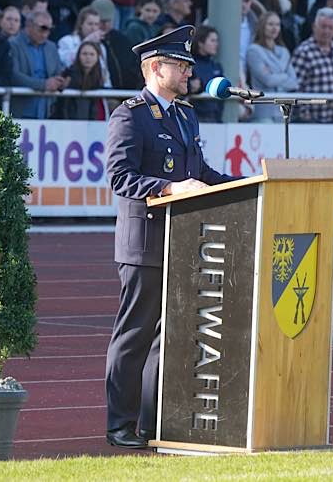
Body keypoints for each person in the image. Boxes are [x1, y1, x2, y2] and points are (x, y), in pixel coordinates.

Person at [104, 25, 235, 449]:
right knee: (135, 335)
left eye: (187, 66)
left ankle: (152, 422)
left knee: (171, 336)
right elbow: (120, 177)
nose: (187, 73)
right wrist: (168, 187)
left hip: (183, 241)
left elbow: (200, 173)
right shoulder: (130, 114)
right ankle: (120, 425)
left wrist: (247, 184)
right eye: (180, 65)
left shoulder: (185, 114)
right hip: (145, 243)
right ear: (155, 68)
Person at [291, 7, 333, 123]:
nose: (326, 31)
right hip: (311, 121)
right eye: (323, 26)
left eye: (330, 28)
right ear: (314, 27)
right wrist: (303, 115)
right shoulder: (303, 51)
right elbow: (294, 87)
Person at [9, 11, 69, 118]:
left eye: (49, 29)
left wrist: (62, 81)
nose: (46, 33)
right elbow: (13, 75)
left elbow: (58, 71)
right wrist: (44, 84)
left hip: (46, 111)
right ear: (29, 25)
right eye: (42, 28)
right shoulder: (13, 44)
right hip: (20, 110)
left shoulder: (51, 47)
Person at [246, 11, 298, 122]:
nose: (274, 28)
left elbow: (294, 82)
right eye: (270, 24)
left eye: (277, 24)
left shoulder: (284, 51)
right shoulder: (254, 51)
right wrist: (285, 76)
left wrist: (276, 75)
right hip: (264, 112)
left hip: (283, 111)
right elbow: (268, 80)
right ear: (262, 26)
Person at [53, 42, 107, 120]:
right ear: (78, 56)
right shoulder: (69, 75)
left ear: (97, 57)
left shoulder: (99, 77)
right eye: (84, 54)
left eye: (92, 54)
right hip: (68, 120)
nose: (88, 57)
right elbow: (63, 105)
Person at [189, 25, 224, 123]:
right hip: (196, 118)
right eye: (212, 41)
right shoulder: (190, 64)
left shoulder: (216, 66)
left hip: (215, 117)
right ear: (200, 43)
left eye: (216, 41)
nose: (216, 44)